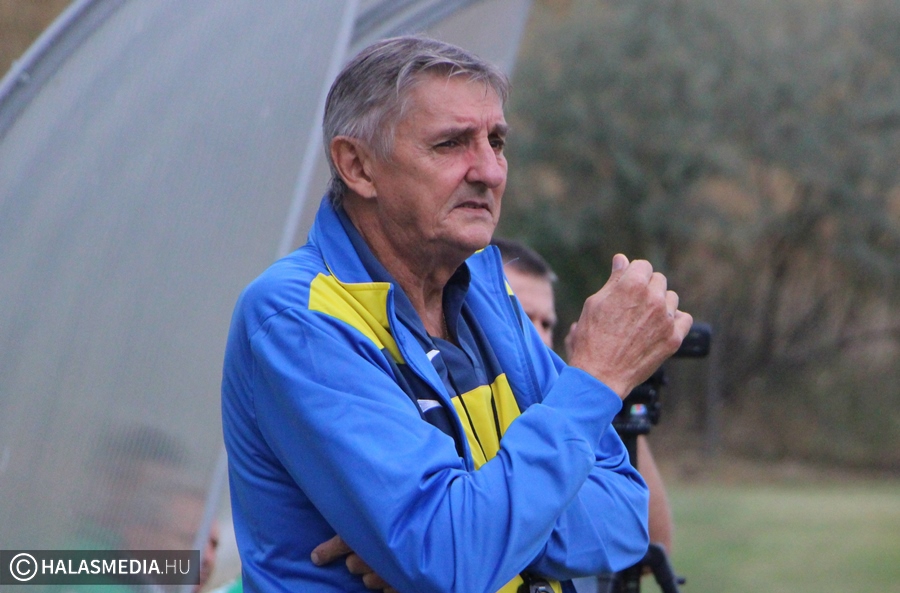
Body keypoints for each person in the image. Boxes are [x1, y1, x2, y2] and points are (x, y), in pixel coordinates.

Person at [221, 35, 692, 593]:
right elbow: (451, 557)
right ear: (358, 166)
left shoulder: (488, 292)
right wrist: (596, 378)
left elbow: (624, 516)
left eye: (497, 142)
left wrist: (471, 533)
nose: (490, 171)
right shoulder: (298, 317)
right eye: (451, 144)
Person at [491, 238, 674, 557]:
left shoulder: (564, 400)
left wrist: (612, 384)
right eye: (522, 316)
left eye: (546, 323)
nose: (538, 335)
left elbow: (651, 544)